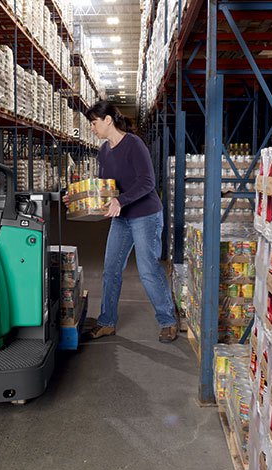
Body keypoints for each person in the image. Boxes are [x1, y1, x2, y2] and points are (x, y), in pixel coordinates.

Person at [64, 101, 178, 343]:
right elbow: (103, 188)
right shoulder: (104, 151)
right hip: (122, 217)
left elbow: (148, 182)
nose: (91, 128)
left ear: (108, 121)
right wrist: (75, 197)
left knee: (148, 270)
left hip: (145, 215)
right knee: (111, 269)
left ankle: (168, 320)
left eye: (94, 123)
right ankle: (107, 322)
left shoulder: (134, 145)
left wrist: (121, 201)